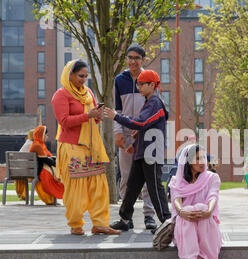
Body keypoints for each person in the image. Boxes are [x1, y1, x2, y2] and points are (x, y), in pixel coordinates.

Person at [52, 59, 120, 236]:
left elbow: (93, 118)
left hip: (91, 146)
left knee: (98, 185)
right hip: (72, 146)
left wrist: (96, 115)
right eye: (80, 76)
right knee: (77, 188)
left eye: (86, 76)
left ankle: (100, 224)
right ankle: (76, 224)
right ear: (70, 74)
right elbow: (64, 122)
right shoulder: (61, 95)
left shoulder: (88, 92)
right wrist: (87, 116)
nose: (83, 80)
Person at [104, 69, 171, 231]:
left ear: (152, 85)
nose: (139, 86)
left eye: (142, 84)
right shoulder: (149, 103)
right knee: (132, 186)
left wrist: (116, 116)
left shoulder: (154, 102)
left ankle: (167, 221)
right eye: (138, 83)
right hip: (142, 153)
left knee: (155, 187)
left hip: (151, 154)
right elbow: (144, 127)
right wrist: (134, 145)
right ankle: (125, 219)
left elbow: (140, 123)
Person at [114, 44, 156, 230]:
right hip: (125, 133)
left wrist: (141, 127)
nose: (133, 61)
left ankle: (149, 216)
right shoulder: (119, 80)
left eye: (137, 58)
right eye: (130, 57)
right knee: (126, 176)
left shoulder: (149, 79)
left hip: (145, 133)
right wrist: (117, 131)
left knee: (148, 176)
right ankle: (126, 217)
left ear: (143, 60)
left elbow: (154, 107)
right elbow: (117, 109)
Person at [169, 144, 222, 259]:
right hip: (185, 222)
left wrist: (209, 211)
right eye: (198, 158)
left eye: (204, 157)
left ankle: (205, 257)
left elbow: (213, 196)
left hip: (206, 222)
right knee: (187, 210)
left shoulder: (212, 178)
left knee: (201, 207)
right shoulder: (177, 180)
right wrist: (181, 211)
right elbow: (176, 198)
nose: (203, 162)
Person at [28, 125, 64, 204]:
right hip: (39, 171)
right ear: (41, 135)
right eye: (46, 135)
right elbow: (45, 159)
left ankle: (52, 199)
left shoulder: (39, 144)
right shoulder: (37, 145)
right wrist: (55, 162)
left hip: (36, 169)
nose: (47, 137)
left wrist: (54, 161)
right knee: (55, 175)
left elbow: (48, 157)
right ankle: (53, 198)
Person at [15, 129, 35, 200]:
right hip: (25, 171)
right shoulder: (32, 144)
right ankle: (49, 197)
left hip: (17, 171)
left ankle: (23, 195)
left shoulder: (27, 143)